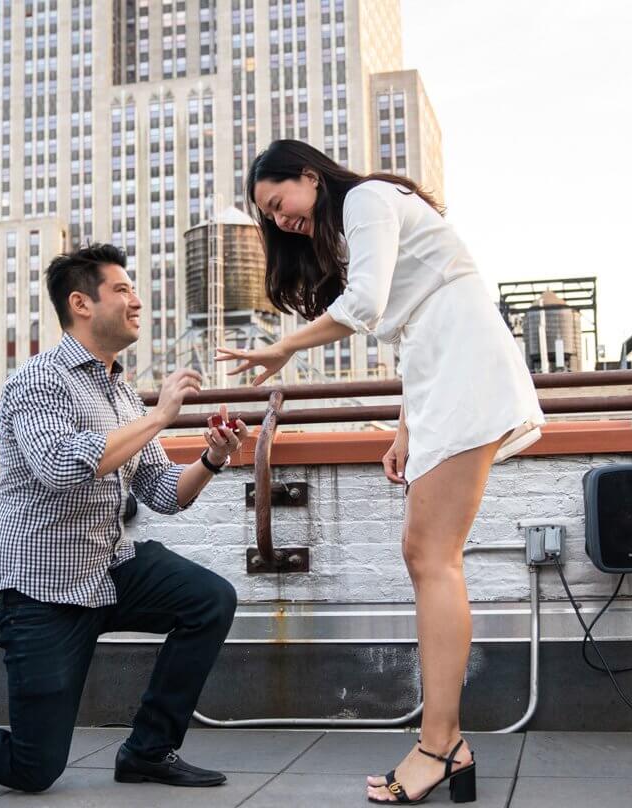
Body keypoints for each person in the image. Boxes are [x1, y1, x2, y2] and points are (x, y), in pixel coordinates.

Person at [217, 140, 545, 805]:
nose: (279, 221)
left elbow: (366, 305)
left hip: (463, 365)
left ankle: (440, 745)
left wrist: (283, 346)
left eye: (279, 203)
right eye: (268, 216)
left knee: (433, 556)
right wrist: (406, 427)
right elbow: (410, 324)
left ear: (309, 177)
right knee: (427, 555)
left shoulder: (366, 198)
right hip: (439, 370)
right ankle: (443, 743)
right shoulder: (358, 220)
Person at [0, 243, 247, 793]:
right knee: (34, 768)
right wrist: (162, 416)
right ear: (81, 303)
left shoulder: (119, 392)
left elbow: (164, 493)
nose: (137, 300)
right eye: (122, 289)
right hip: (41, 593)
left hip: (109, 570)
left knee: (208, 599)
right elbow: (63, 469)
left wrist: (212, 458)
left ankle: (148, 749)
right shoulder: (38, 381)